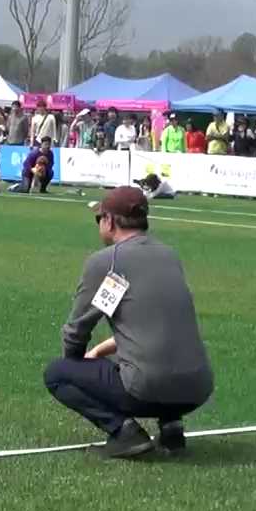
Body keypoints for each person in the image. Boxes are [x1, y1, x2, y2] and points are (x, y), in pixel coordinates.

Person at [43, 186, 213, 458]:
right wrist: (100, 351)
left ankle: (125, 433)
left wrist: (74, 366)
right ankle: (171, 429)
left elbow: (77, 330)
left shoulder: (107, 262)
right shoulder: (169, 255)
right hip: (197, 388)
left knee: (56, 374)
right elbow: (154, 325)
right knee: (161, 357)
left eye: (99, 219)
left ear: (109, 221)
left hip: (147, 388)